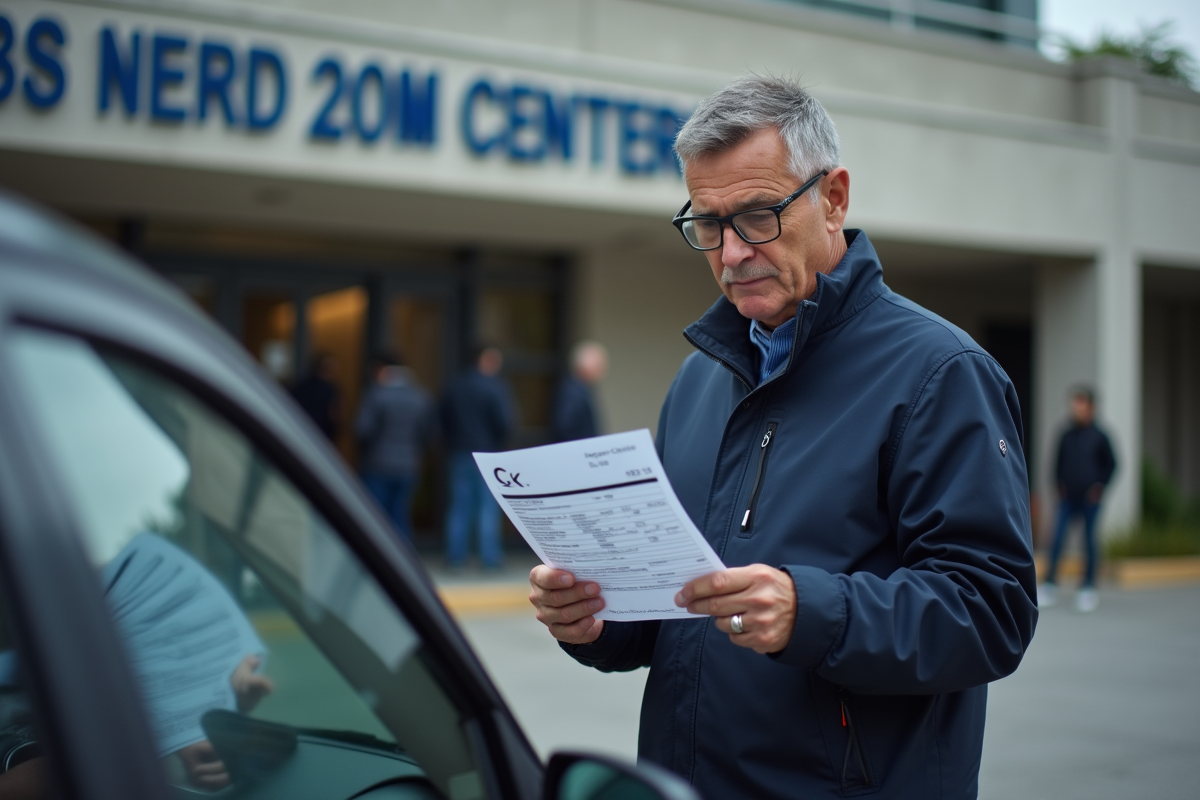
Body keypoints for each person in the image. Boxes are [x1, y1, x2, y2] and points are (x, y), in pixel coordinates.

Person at [528, 76, 1037, 800]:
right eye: (707, 224)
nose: (732, 253)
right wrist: (594, 621)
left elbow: (992, 612)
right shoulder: (699, 381)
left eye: (758, 216)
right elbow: (673, 613)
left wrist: (812, 612)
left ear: (833, 198)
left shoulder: (940, 373)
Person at [1039, 387, 1117, 613]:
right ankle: (1050, 584)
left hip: (1090, 499)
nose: (1076, 410)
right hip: (1067, 497)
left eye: (1080, 406)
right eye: (1074, 406)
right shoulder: (1066, 434)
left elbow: (1112, 464)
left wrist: (1100, 487)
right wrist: (1058, 485)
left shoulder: (1100, 436)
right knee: (1057, 539)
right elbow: (1057, 462)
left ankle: (1088, 588)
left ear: (1091, 407)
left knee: (1089, 542)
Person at [440, 345, 515, 569]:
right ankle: (489, 558)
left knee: (459, 505)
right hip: (487, 454)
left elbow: (443, 419)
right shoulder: (494, 387)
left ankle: (455, 557)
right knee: (487, 506)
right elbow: (504, 422)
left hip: (459, 452)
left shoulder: (454, 385)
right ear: (486, 359)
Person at [355, 352, 437, 540]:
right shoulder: (420, 396)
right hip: (409, 465)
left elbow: (362, 429)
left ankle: (375, 558)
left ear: (383, 371)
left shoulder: (376, 394)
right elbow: (429, 434)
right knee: (400, 514)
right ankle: (402, 559)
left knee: (375, 517)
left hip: (378, 464)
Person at [551, 341, 608, 443]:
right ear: (586, 366)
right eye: (599, 366)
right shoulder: (573, 392)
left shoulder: (580, 388)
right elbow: (565, 426)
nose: (602, 372)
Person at [291, 353, 340, 442]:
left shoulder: (302, 387)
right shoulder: (331, 391)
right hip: (320, 437)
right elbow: (334, 415)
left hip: (302, 433)